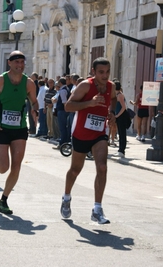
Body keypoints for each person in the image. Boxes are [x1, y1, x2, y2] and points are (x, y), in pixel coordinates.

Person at [60, 57, 116, 224]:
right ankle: (66, 197)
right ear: (93, 71)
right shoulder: (85, 85)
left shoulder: (110, 86)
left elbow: (113, 99)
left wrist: (111, 113)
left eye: (107, 72)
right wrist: (89, 103)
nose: (104, 76)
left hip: (99, 133)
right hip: (81, 133)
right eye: (101, 72)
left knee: (102, 167)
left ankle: (97, 209)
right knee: (75, 170)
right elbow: (68, 106)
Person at [0, 51, 38, 215]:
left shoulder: (28, 83)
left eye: (22, 62)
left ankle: (3, 200)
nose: (20, 65)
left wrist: (35, 111)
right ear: (9, 63)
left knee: (17, 165)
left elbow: (34, 101)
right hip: (1, 127)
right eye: (17, 62)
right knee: (3, 167)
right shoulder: (0, 80)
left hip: (19, 128)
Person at [113, 79, 130, 158]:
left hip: (122, 116)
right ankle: (120, 150)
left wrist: (117, 115)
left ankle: (122, 150)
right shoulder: (116, 94)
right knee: (120, 133)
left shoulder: (120, 95)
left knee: (122, 134)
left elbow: (124, 107)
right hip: (118, 116)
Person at [52, 77, 70, 149]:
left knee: (62, 128)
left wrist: (66, 109)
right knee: (64, 128)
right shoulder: (66, 89)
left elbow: (64, 101)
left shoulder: (62, 91)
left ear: (60, 83)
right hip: (64, 111)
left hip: (62, 111)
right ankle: (64, 142)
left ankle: (62, 143)